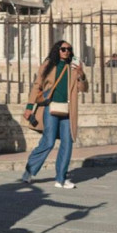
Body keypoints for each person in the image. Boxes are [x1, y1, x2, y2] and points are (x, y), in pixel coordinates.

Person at [21, 40, 88, 188]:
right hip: (50, 108)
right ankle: (29, 170)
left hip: (68, 110)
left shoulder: (73, 67)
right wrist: (29, 107)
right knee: (48, 141)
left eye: (69, 49)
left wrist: (81, 75)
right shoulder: (48, 64)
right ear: (57, 50)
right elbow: (37, 85)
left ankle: (61, 178)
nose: (66, 52)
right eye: (63, 49)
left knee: (67, 143)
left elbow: (83, 88)